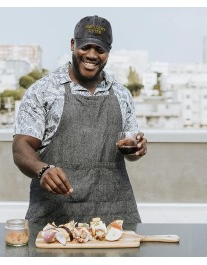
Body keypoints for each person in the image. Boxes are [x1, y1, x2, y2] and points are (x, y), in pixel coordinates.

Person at [13, 15, 147, 226]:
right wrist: (42, 169)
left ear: (108, 53)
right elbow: (21, 147)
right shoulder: (43, 91)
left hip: (116, 216)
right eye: (86, 47)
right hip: (54, 220)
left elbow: (129, 153)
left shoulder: (122, 94)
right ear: (73, 44)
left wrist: (137, 148)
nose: (92, 55)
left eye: (100, 50)